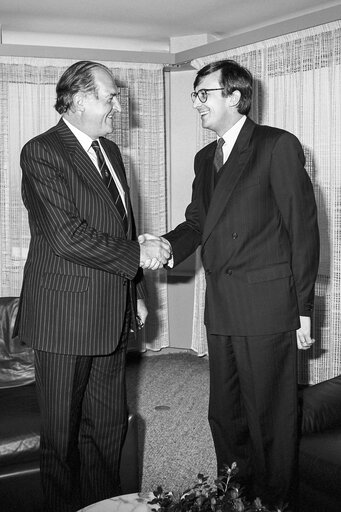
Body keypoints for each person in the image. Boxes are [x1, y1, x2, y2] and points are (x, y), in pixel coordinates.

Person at [141, 59, 319, 509]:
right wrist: (163, 244)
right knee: (225, 412)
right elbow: (198, 222)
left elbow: (303, 230)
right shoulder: (206, 158)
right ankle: (236, 496)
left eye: (204, 94)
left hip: (268, 304)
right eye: (195, 95)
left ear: (235, 97)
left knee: (270, 417)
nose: (197, 103)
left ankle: (278, 501)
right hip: (221, 303)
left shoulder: (276, 146)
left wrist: (301, 309)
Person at [14, 60, 170, 512]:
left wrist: (134, 290)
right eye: (110, 97)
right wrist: (138, 256)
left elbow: (122, 228)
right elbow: (66, 236)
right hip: (63, 316)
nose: (117, 106)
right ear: (80, 100)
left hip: (110, 311)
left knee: (106, 431)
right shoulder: (42, 151)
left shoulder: (113, 153)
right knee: (62, 438)